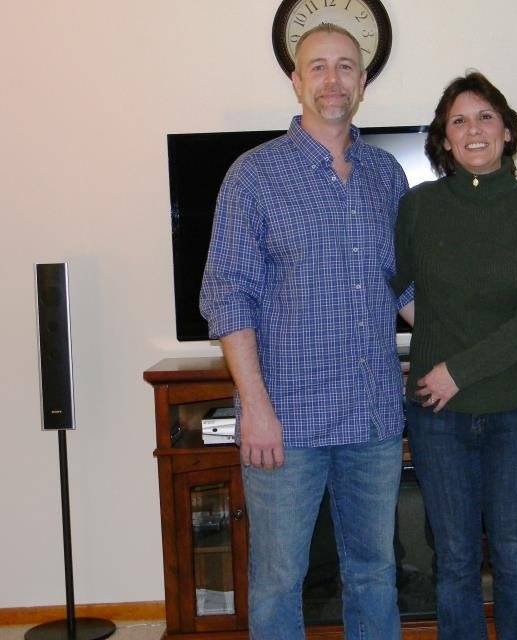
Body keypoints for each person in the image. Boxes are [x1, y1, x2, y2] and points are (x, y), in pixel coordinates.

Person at [199, 24, 411, 640]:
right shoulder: (254, 176)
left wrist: (472, 346)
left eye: (346, 66)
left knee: (375, 573)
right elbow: (226, 293)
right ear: (296, 80)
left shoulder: (386, 177)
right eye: (317, 67)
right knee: (277, 580)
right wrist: (255, 408)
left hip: (372, 416)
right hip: (285, 417)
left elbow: (403, 287)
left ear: (363, 81)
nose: (332, 80)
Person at [392, 71, 517, 639]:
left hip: (515, 411)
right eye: (459, 121)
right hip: (437, 416)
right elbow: (391, 283)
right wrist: (432, 337)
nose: (474, 130)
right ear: (444, 140)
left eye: (486, 117)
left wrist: (457, 368)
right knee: (454, 560)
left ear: (508, 131)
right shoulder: (418, 206)